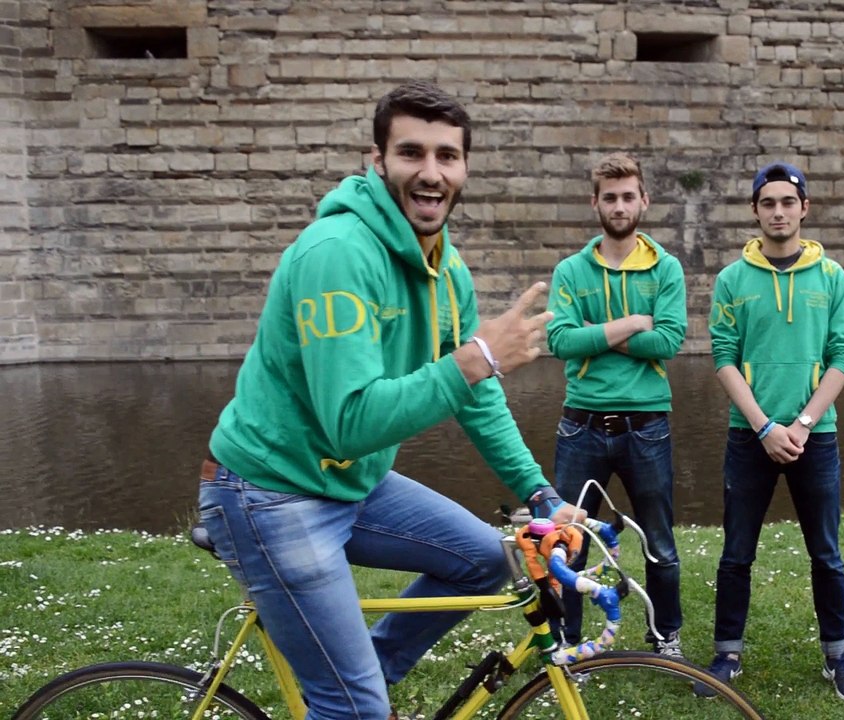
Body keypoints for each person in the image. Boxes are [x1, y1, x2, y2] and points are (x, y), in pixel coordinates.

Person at [196, 81, 581, 720]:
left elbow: (476, 399)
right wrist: (477, 358)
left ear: (465, 168)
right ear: (377, 162)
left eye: (447, 156)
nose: (431, 173)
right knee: (353, 708)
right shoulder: (337, 254)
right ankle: (353, 700)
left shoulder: (446, 269)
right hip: (269, 492)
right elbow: (350, 423)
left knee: (483, 561)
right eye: (411, 153)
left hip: (350, 483)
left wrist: (540, 493)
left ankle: (361, 681)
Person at [698, 162, 844, 701]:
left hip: (815, 436)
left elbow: (843, 354)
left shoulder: (832, 277)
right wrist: (765, 425)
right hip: (749, 435)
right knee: (736, 554)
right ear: (755, 211)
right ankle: (726, 655)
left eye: (788, 202)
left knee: (826, 554)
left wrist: (802, 423)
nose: (778, 212)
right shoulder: (732, 280)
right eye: (768, 203)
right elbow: (723, 357)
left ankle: (838, 657)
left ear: (804, 208)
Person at [545, 153, 688, 656]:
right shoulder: (570, 271)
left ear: (644, 201)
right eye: (610, 198)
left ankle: (665, 636)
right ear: (595, 203)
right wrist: (631, 324)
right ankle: (568, 641)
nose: (620, 206)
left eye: (629, 196)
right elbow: (561, 341)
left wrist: (596, 334)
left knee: (658, 541)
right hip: (580, 426)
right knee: (568, 540)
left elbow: (668, 341)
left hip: (646, 425)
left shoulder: (666, 268)